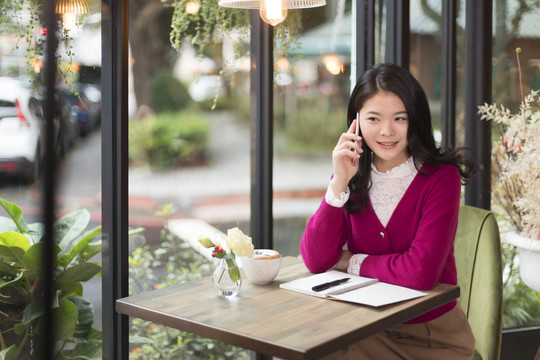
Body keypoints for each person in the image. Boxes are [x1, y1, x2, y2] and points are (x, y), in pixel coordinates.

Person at [300, 63, 476, 360]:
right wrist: (339, 182)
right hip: (365, 326)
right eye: (373, 118)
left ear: (415, 120)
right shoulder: (351, 175)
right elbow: (316, 260)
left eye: (399, 118)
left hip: (431, 337)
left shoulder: (439, 178)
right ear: (355, 123)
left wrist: (351, 262)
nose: (386, 131)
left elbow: (420, 273)